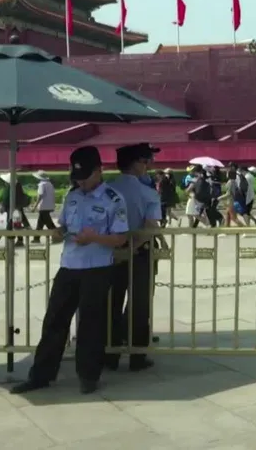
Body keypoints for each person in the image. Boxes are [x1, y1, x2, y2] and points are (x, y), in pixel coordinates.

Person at [10, 146, 128, 395]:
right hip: (69, 267)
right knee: (54, 321)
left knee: (90, 325)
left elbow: (120, 238)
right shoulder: (73, 196)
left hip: (97, 269)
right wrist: (58, 232)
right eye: (77, 178)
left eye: (85, 177)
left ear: (99, 170)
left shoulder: (113, 199)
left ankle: (88, 376)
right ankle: (41, 375)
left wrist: (96, 237)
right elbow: (64, 224)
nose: (81, 182)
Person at [105, 143, 162, 372]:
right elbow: (150, 228)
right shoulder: (147, 192)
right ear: (139, 163)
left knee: (111, 303)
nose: (150, 165)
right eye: (147, 160)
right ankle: (137, 356)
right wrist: (132, 248)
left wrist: (118, 250)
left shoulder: (106, 189)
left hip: (110, 253)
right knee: (139, 305)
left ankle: (110, 354)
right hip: (140, 253)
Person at [0, 173, 31, 248]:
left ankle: (1, 240)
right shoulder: (18, 185)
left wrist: (2, 207)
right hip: (17, 207)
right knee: (16, 224)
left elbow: (5, 198)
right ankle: (18, 240)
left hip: (9, 209)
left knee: (6, 224)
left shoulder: (9, 187)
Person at [30, 170, 56, 244]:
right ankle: (36, 238)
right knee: (40, 223)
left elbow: (40, 196)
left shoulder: (41, 184)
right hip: (49, 206)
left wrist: (35, 206)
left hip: (43, 206)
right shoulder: (50, 184)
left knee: (49, 223)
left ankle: (57, 236)